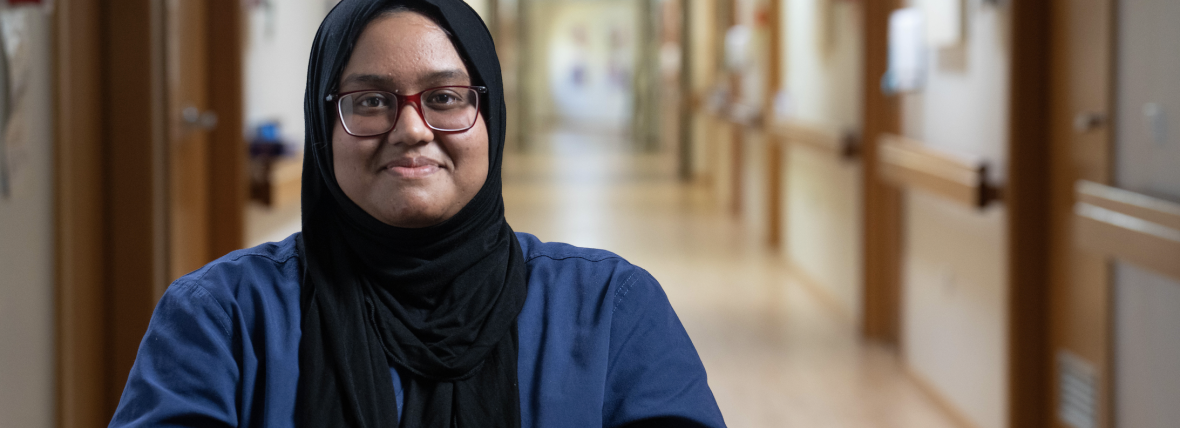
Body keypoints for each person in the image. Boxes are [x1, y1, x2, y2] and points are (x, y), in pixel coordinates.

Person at [108, 1, 725, 427]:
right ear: (325, 126)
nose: (411, 128)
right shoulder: (223, 320)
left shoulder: (609, 310)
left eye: (446, 97)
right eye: (370, 99)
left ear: (492, 116)